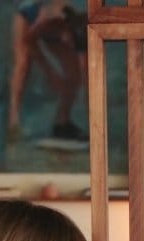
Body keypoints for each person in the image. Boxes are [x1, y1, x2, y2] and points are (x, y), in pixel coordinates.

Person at [8, 0, 88, 143]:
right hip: (30, 22)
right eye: (69, 41)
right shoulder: (49, 18)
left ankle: (62, 123)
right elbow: (29, 42)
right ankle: (13, 120)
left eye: (71, 43)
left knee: (74, 74)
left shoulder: (81, 31)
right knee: (23, 64)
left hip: (59, 31)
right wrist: (50, 72)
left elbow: (84, 66)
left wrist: (86, 92)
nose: (69, 45)